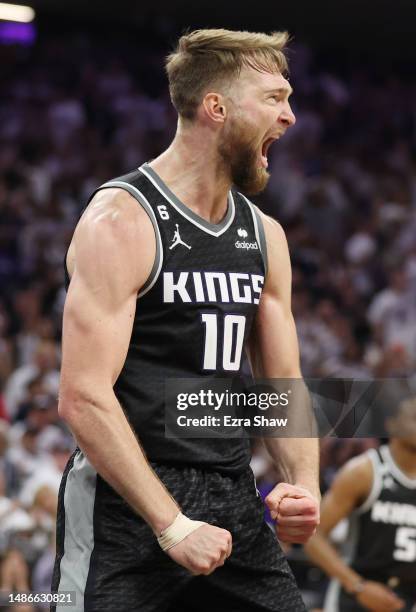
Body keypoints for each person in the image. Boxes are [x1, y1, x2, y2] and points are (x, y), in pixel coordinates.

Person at [51, 29, 320, 611]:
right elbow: (82, 397)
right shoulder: (122, 221)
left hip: (231, 491)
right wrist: (172, 524)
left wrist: (303, 486)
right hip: (126, 501)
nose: (291, 117)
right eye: (275, 98)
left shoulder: (265, 236)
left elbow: (281, 388)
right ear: (216, 107)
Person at [304, 398, 416, 611]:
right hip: (356, 597)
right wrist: (358, 586)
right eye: (414, 417)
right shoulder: (364, 472)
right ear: (391, 424)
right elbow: (314, 537)